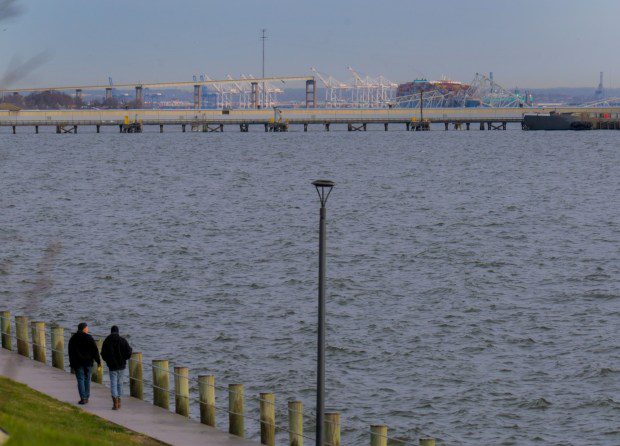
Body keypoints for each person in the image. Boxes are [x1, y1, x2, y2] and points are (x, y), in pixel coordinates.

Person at [68, 322, 101, 405]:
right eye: (87, 328)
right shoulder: (89, 338)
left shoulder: (73, 338)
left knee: (80, 379)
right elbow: (95, 350)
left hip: (77, 363)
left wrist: (71, 363)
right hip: (88, 363)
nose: (88, 329)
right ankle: (86, 396)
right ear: (84, 329)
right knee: (87, 379)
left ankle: (83, 397)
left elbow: (70, 352)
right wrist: (98, 361)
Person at [100, 325, 132, 410]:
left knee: (113, 384)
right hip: (121, 366)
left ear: (111, 332)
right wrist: (124, 358)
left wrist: (107, 361)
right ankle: (119, 400)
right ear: (118, 332)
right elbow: (129, 352)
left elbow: (103, 353)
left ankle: (115, 403)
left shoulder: (107, 341)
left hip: (112, 366)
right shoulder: (123, 340)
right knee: (120, 383)